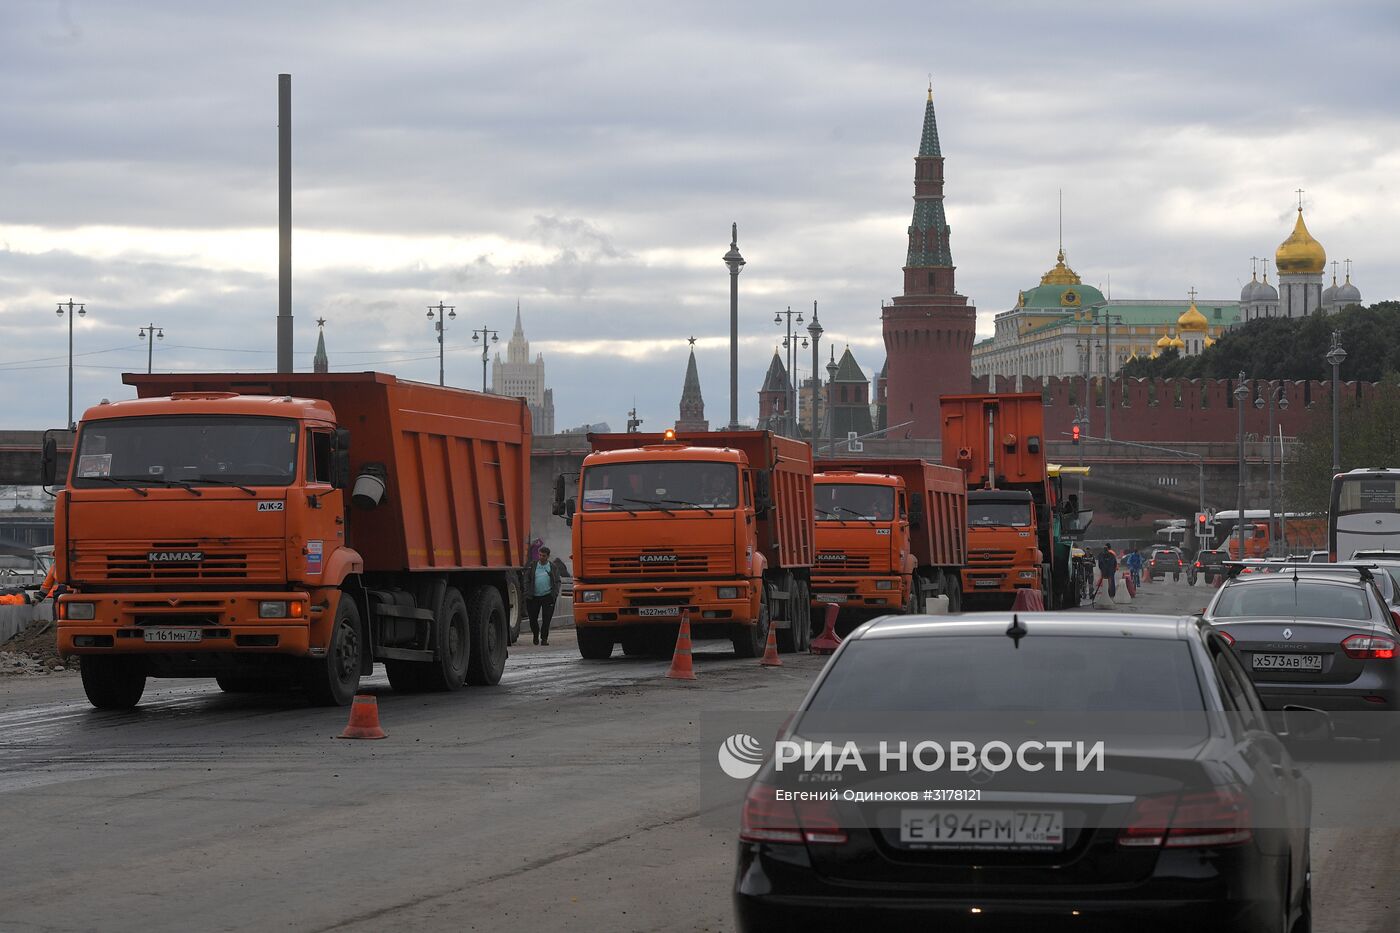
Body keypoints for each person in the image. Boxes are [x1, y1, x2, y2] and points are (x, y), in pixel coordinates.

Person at [527, 545, 564, 645]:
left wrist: (554, 594)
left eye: (543, 556)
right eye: (540, 555)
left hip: (548, 596)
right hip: (534, 596)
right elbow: (527, 579)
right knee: (532, 618)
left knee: (546, 619)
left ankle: (544, 639)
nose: (541, 557)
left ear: (548, 556)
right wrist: (527, 591)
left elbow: (557, 581)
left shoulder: (552, 567)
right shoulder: (533, 565)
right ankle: (535, 634)